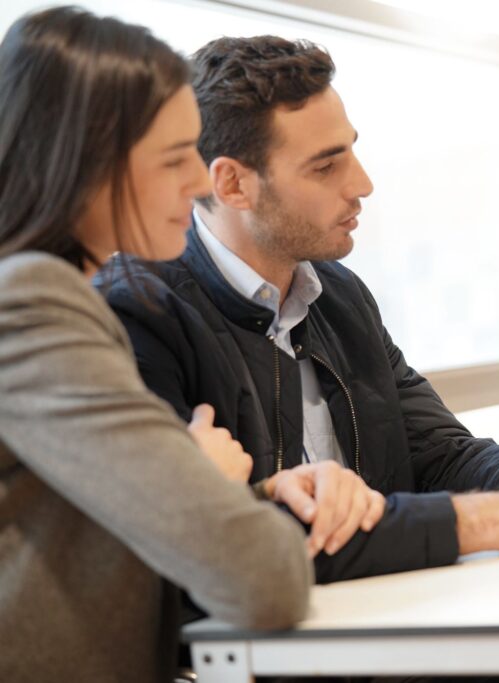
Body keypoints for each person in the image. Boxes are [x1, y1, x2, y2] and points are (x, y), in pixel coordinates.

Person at [102, 35, 499, 585]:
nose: (363, 184)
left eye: (350, 151)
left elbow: (439, 454)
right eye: (326, 166)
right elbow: (231, 542)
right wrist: (492, 521)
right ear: (233, 184)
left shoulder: (338, 292)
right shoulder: (135, 314)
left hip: (389, 607)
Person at [0, 8, 313, 683]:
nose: (199, 184)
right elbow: (264, 579)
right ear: (82, 161)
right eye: (174, 159)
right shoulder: (32, 302)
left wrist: (238, 487)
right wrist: (207, 477)